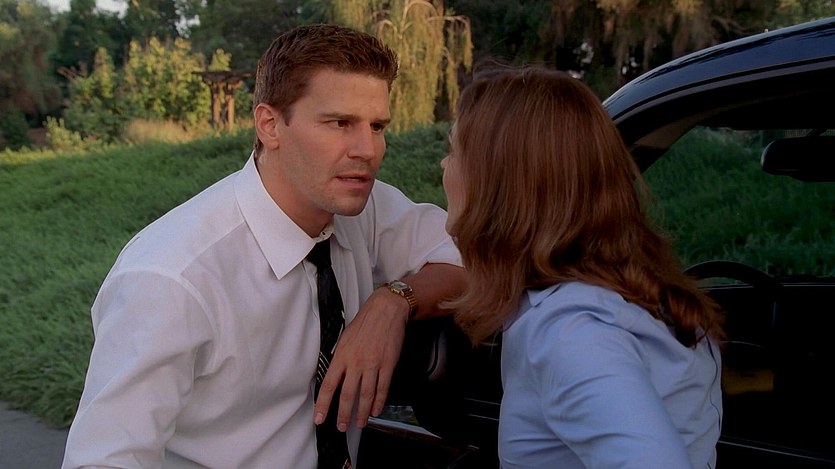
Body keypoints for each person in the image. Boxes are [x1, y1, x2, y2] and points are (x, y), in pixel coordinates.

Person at [62, 24, 465, 468]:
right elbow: (102, 460)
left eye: (377, 126)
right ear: (270, 126)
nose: (367, 150)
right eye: (340, 123)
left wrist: (393, 302)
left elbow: (475, 262)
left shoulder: (360, 207)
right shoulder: (171, 280)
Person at [440, 65, 724, 468]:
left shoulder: (571, 335)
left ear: (499, 184)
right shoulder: (614, 298)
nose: (444, 166)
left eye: (454, 152)